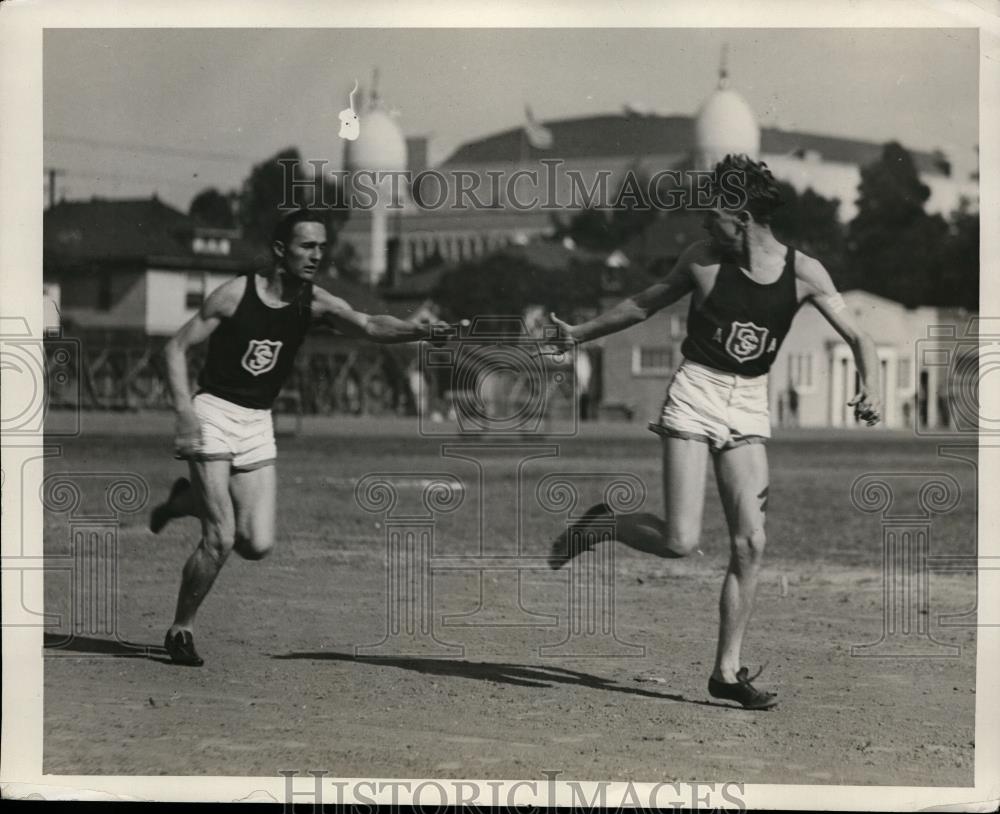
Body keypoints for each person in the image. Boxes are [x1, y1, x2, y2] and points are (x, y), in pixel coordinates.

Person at [547, 155, 882, 709]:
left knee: (751, 543)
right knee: (681, 541)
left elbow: (860, 339)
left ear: (742, 215)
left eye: (713, 213)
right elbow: (641, 304)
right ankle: (604, 526)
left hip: (749, 402)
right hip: (697, 391)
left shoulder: (806, 272)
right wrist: (580, 333)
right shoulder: (701, 261)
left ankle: (726, 673)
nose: (705, 223)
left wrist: (868, 386)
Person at [149, 208, 446, 666]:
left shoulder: (314, 301)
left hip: (256, 423)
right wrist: (185, 412)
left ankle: (185, 501)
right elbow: (174, 347)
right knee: (221, 537)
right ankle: (181, 628)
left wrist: (421, 331)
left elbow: (368, 325)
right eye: (308, 246)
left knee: (257, 544)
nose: (317, 255)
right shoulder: (234, 295)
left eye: (322, 247)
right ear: (280, 250)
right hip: (214, 413)